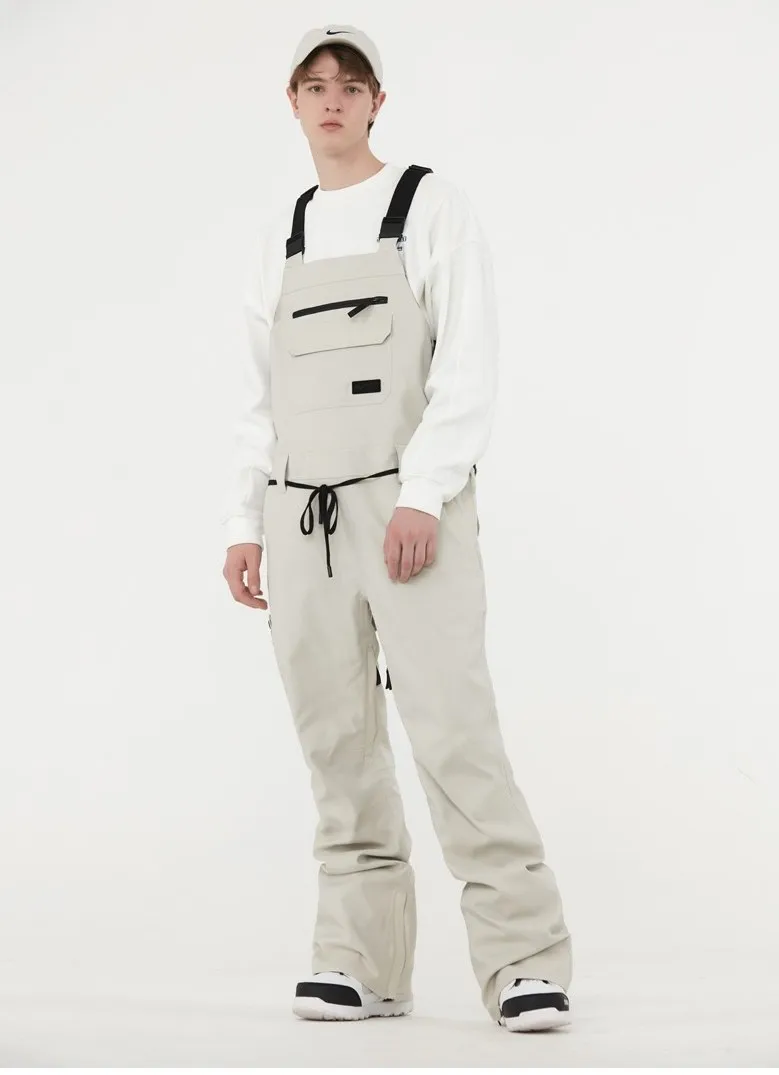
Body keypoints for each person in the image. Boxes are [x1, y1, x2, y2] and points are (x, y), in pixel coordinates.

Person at [221, 24, 573, 1032]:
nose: (332, 99)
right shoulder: (279, 235)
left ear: (378, 102)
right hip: (300, 516)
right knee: (335, 741)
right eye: (314, 85)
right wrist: (244, 520)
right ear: (292, 103)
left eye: (351, 84)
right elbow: (255, 397)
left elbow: (467, 362)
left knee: (453, 730)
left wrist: (425, 492)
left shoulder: (430, 208)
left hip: (406, 506)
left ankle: (522, 960)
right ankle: (359, 961)